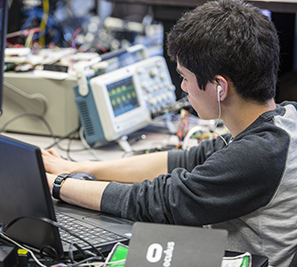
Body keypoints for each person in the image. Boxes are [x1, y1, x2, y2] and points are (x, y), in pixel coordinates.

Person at [41, 0, 297, 266]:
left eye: (185, 77)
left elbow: (158, 202)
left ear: (219, 87)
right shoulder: (283, 120)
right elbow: (185, 160)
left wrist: (55, 185)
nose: (184, 88)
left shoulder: (259, 154)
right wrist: (74, 167)